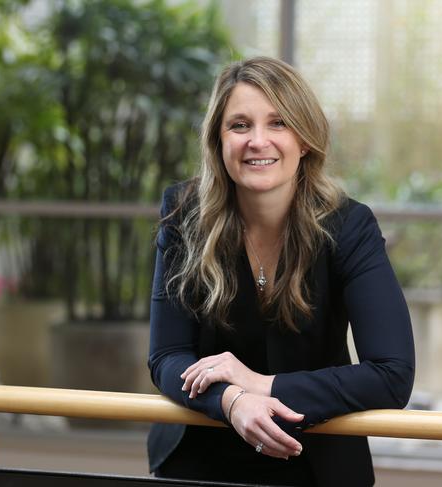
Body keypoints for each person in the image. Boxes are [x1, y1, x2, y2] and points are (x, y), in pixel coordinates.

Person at [147, 56, 415, 487]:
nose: (258, 141)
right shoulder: (183, 215)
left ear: (304, 140)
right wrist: (233, 400)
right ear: (218, 139)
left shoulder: (349, 226)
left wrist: (260, 384)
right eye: (239, 125)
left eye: (278, 123)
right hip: (200, 458)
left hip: (314, 461)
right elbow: (166, 357)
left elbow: (392, 374)